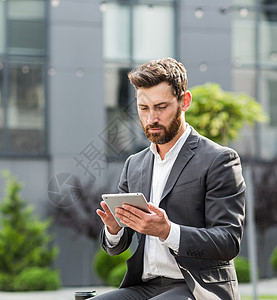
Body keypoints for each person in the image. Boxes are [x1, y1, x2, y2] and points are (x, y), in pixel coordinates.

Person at [94, 57, 246, 300]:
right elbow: (117, 246)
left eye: (161, 107)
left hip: (198, 287)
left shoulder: (220, 160)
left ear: (184, 102)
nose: (151, 118)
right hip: (144, 286)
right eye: (144, 109)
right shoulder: (134, 164)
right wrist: (114, 229)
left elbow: (228, 241)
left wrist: (168, 231)